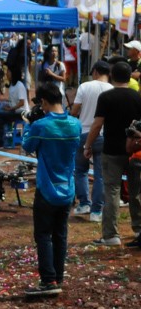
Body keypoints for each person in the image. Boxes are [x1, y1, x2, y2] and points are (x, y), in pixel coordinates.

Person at [22, 83, 80, 296]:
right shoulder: (75, 124)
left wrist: (28, 124)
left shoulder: (41, 126)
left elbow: (27, 147)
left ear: (44, 102)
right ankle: (58, 277)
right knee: (60, 235)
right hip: (68, 189)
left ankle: (48, 280)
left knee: (44, 235)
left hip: (47, 190)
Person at [85, 61, 141, 246]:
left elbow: (98, 124)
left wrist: (88, 145)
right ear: (129, 76)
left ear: (111, 75)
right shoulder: (137, 97)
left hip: (111, 150)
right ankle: (139, 230)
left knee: (112, 191)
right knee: (136, 192)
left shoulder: (106, 97)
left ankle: (111, 235)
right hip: (134, 150)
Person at [70, 60, 112, 221]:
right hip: (102, 135)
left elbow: (74, 111)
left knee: (80, 170)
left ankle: (84, 203)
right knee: (101, 175)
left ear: (94, 72)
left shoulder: (84, 86)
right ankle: (96, 211)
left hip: (83, 132)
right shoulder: (111, 89)